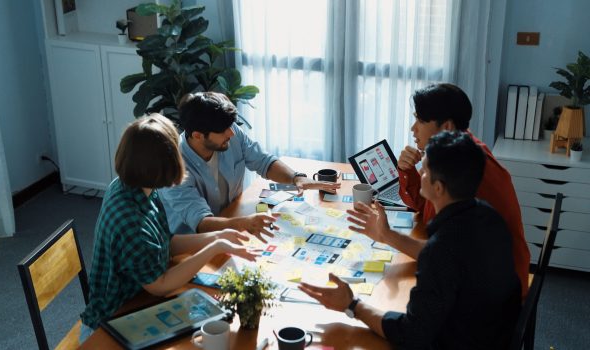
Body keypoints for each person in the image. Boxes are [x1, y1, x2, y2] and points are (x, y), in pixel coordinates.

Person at [300, 131, 521, 349]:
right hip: (496, 335)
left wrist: (352, 305)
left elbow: (411, 334)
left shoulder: (441, 250)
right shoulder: (489, 216)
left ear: (438, 187)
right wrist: (386, 234)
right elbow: (450, 260)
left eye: (423, 170)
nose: (419, 173)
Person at [79, 114, 259, 343]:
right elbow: (160, 285)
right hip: (111, 324)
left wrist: (216, 235)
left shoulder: (137, 187)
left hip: (137, 302)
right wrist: (214, 247)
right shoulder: (131, 220)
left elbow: (166, 243)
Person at [394, 83, 529, 297]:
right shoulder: (456, 152)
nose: (413, 129)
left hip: (495, 292)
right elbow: (423, 205)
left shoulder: (469, 169)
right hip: (482, 271)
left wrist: (386, 235)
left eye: (420, 120)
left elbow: (440, 253)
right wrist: (406, 171)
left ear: (446, 127)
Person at [160, 92, 340, 239]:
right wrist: (243, 223)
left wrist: (296, 178)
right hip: (193, 243)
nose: (231, 133)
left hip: (233, 221)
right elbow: (201, 222)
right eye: (223, 131)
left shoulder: (230, 132)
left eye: (230, 126)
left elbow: (262, 161)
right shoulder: (173, 168)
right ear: (198, 135)